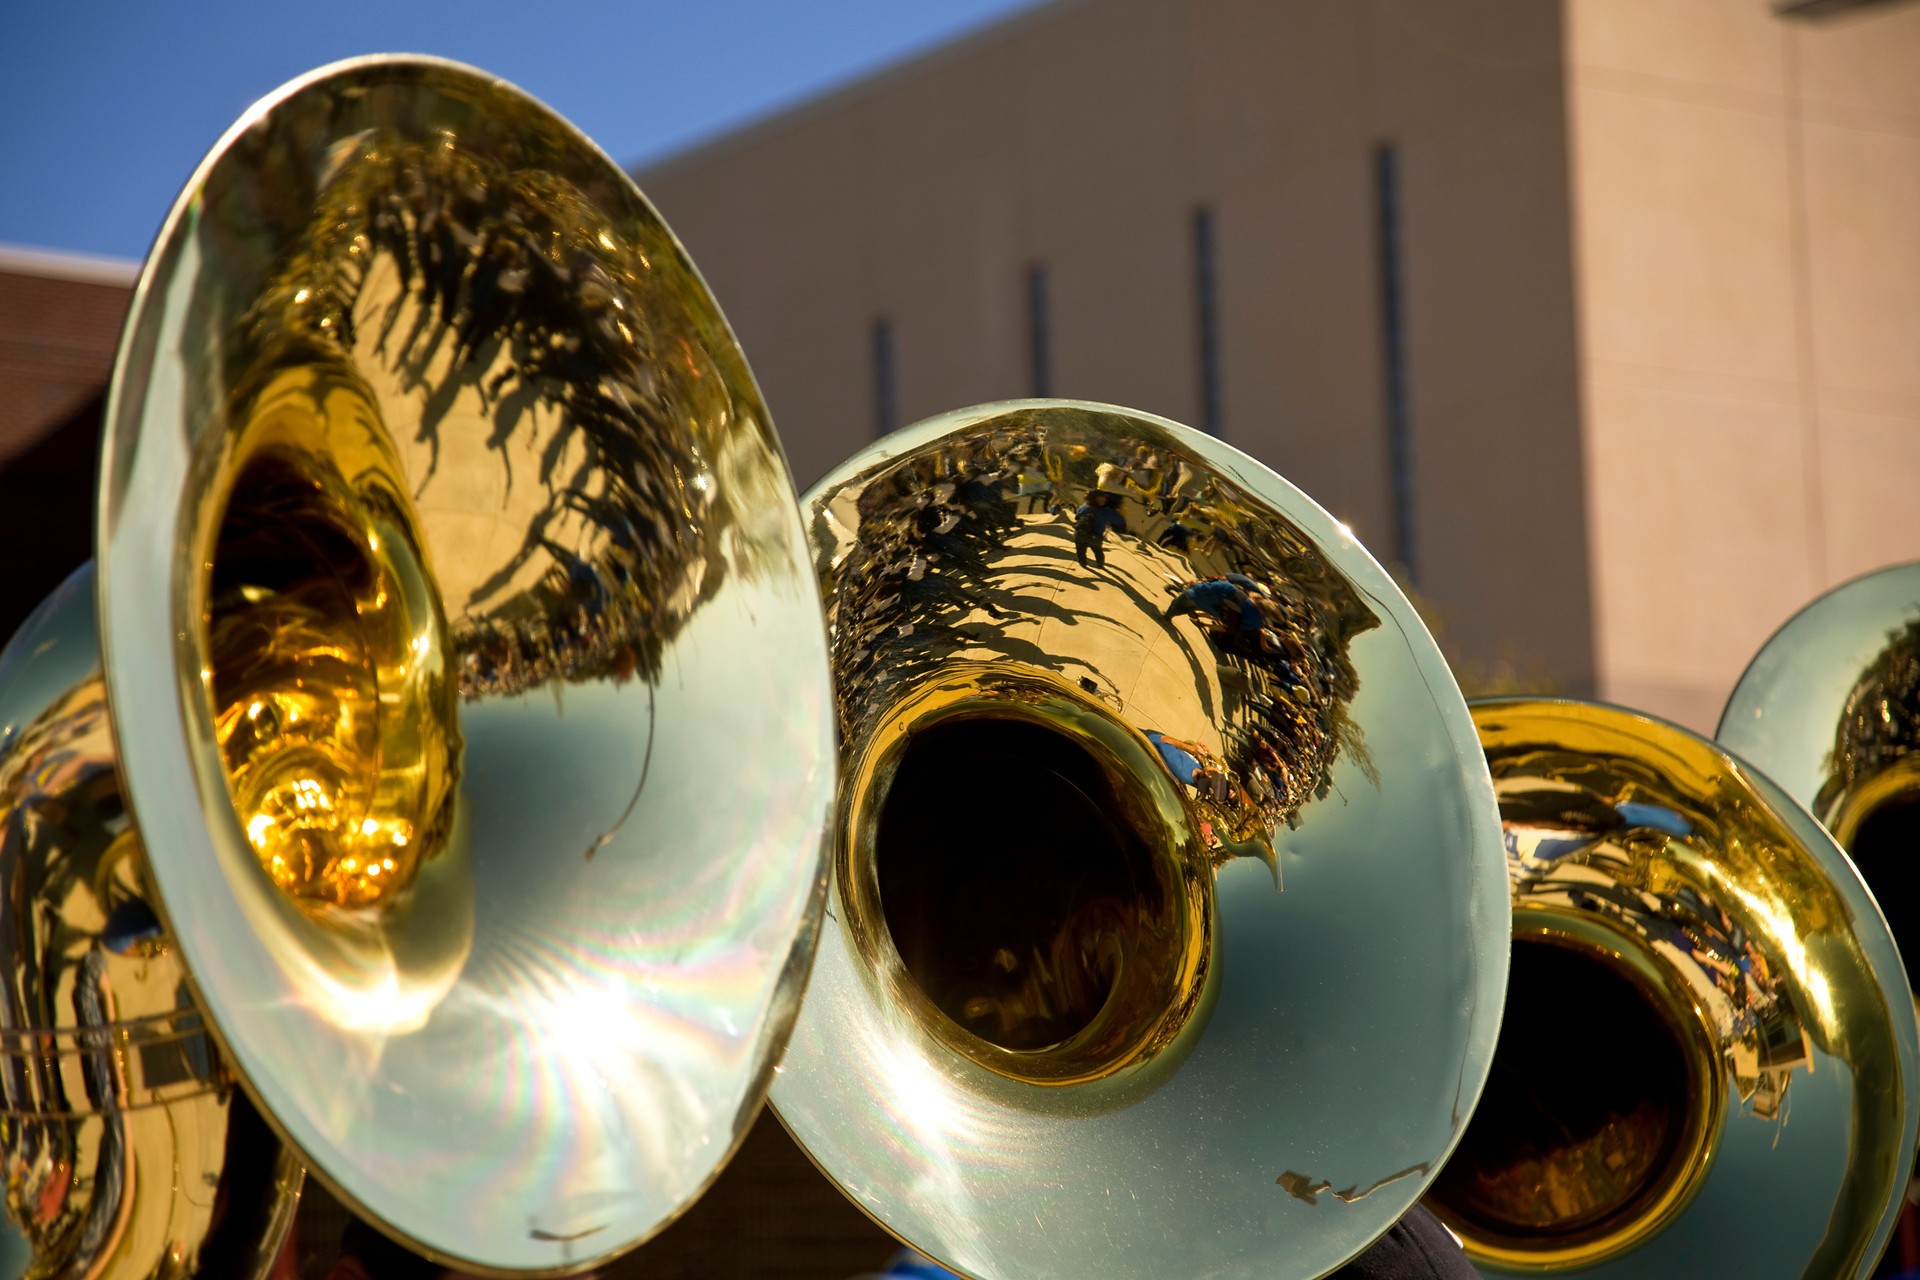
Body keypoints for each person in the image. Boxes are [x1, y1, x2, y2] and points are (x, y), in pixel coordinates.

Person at [1073, 490, 1127, 569]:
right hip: (1095, 537)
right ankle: (1100, 565)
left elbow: (1077, 516)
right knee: (1098, 551)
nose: (1105, 499)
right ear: (1097, 499)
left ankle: (1083, 564)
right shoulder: (1107, 511)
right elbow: (1120, 521)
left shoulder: (1083, 507)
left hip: (1080, 534)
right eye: (1103, 497)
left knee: (1080, 551)